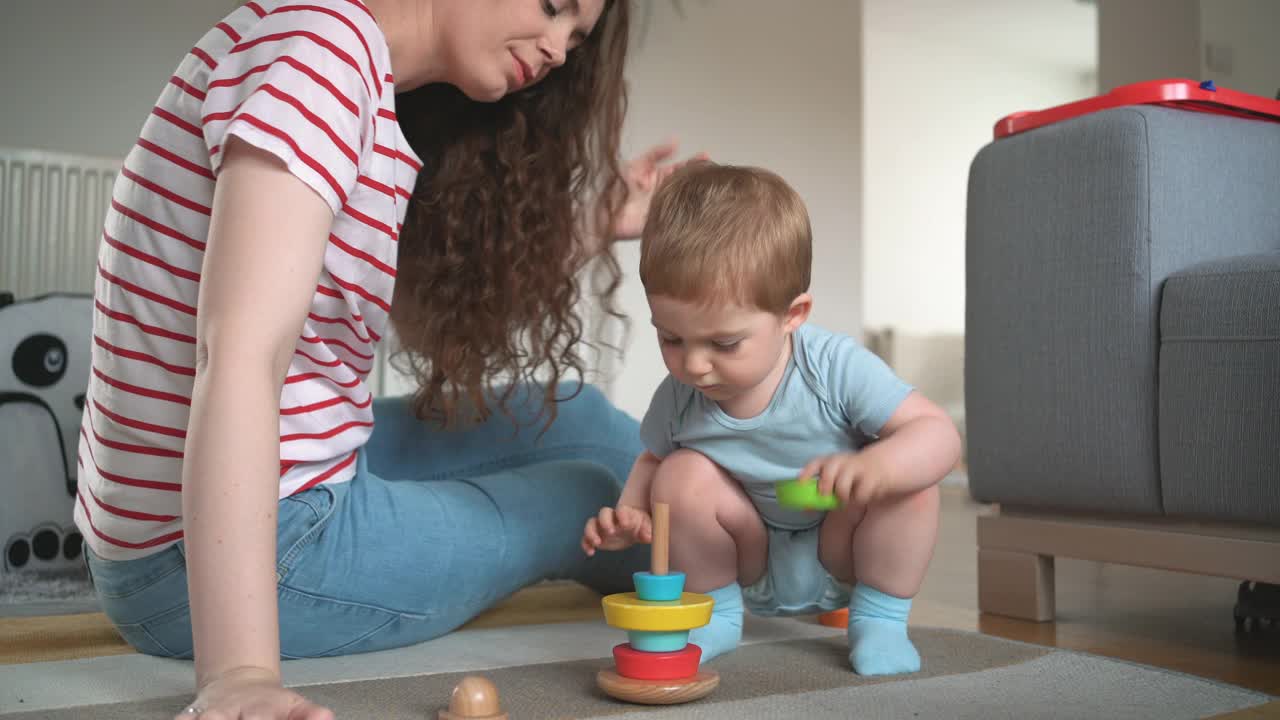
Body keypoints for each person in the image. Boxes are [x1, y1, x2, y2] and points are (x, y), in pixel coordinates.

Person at [75, 1, 700, 718]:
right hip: (201, 559)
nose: (559, 48)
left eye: (578, 37)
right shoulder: (322, 59)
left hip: (289, 474)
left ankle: (736, 507)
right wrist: (240, 674)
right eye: (553, 6)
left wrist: (599, 221)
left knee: (582, 418)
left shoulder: (340, 57)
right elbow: (242, 354)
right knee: (586, 494)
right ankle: (744, 549)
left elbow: (420, 320)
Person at [580, 162, 962, 676]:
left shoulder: (832, 367)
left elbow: (938, 435)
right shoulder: (682, 396)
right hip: (746, 558)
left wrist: (881, 469)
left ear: (792, 315)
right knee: (679, 472)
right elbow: (653, 461)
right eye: (671, 338)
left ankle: (881, 620)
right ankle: (715, 616)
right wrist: (631, 514)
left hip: (842, 550)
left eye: (724, 343)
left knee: (915, 481)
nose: (693, 364)